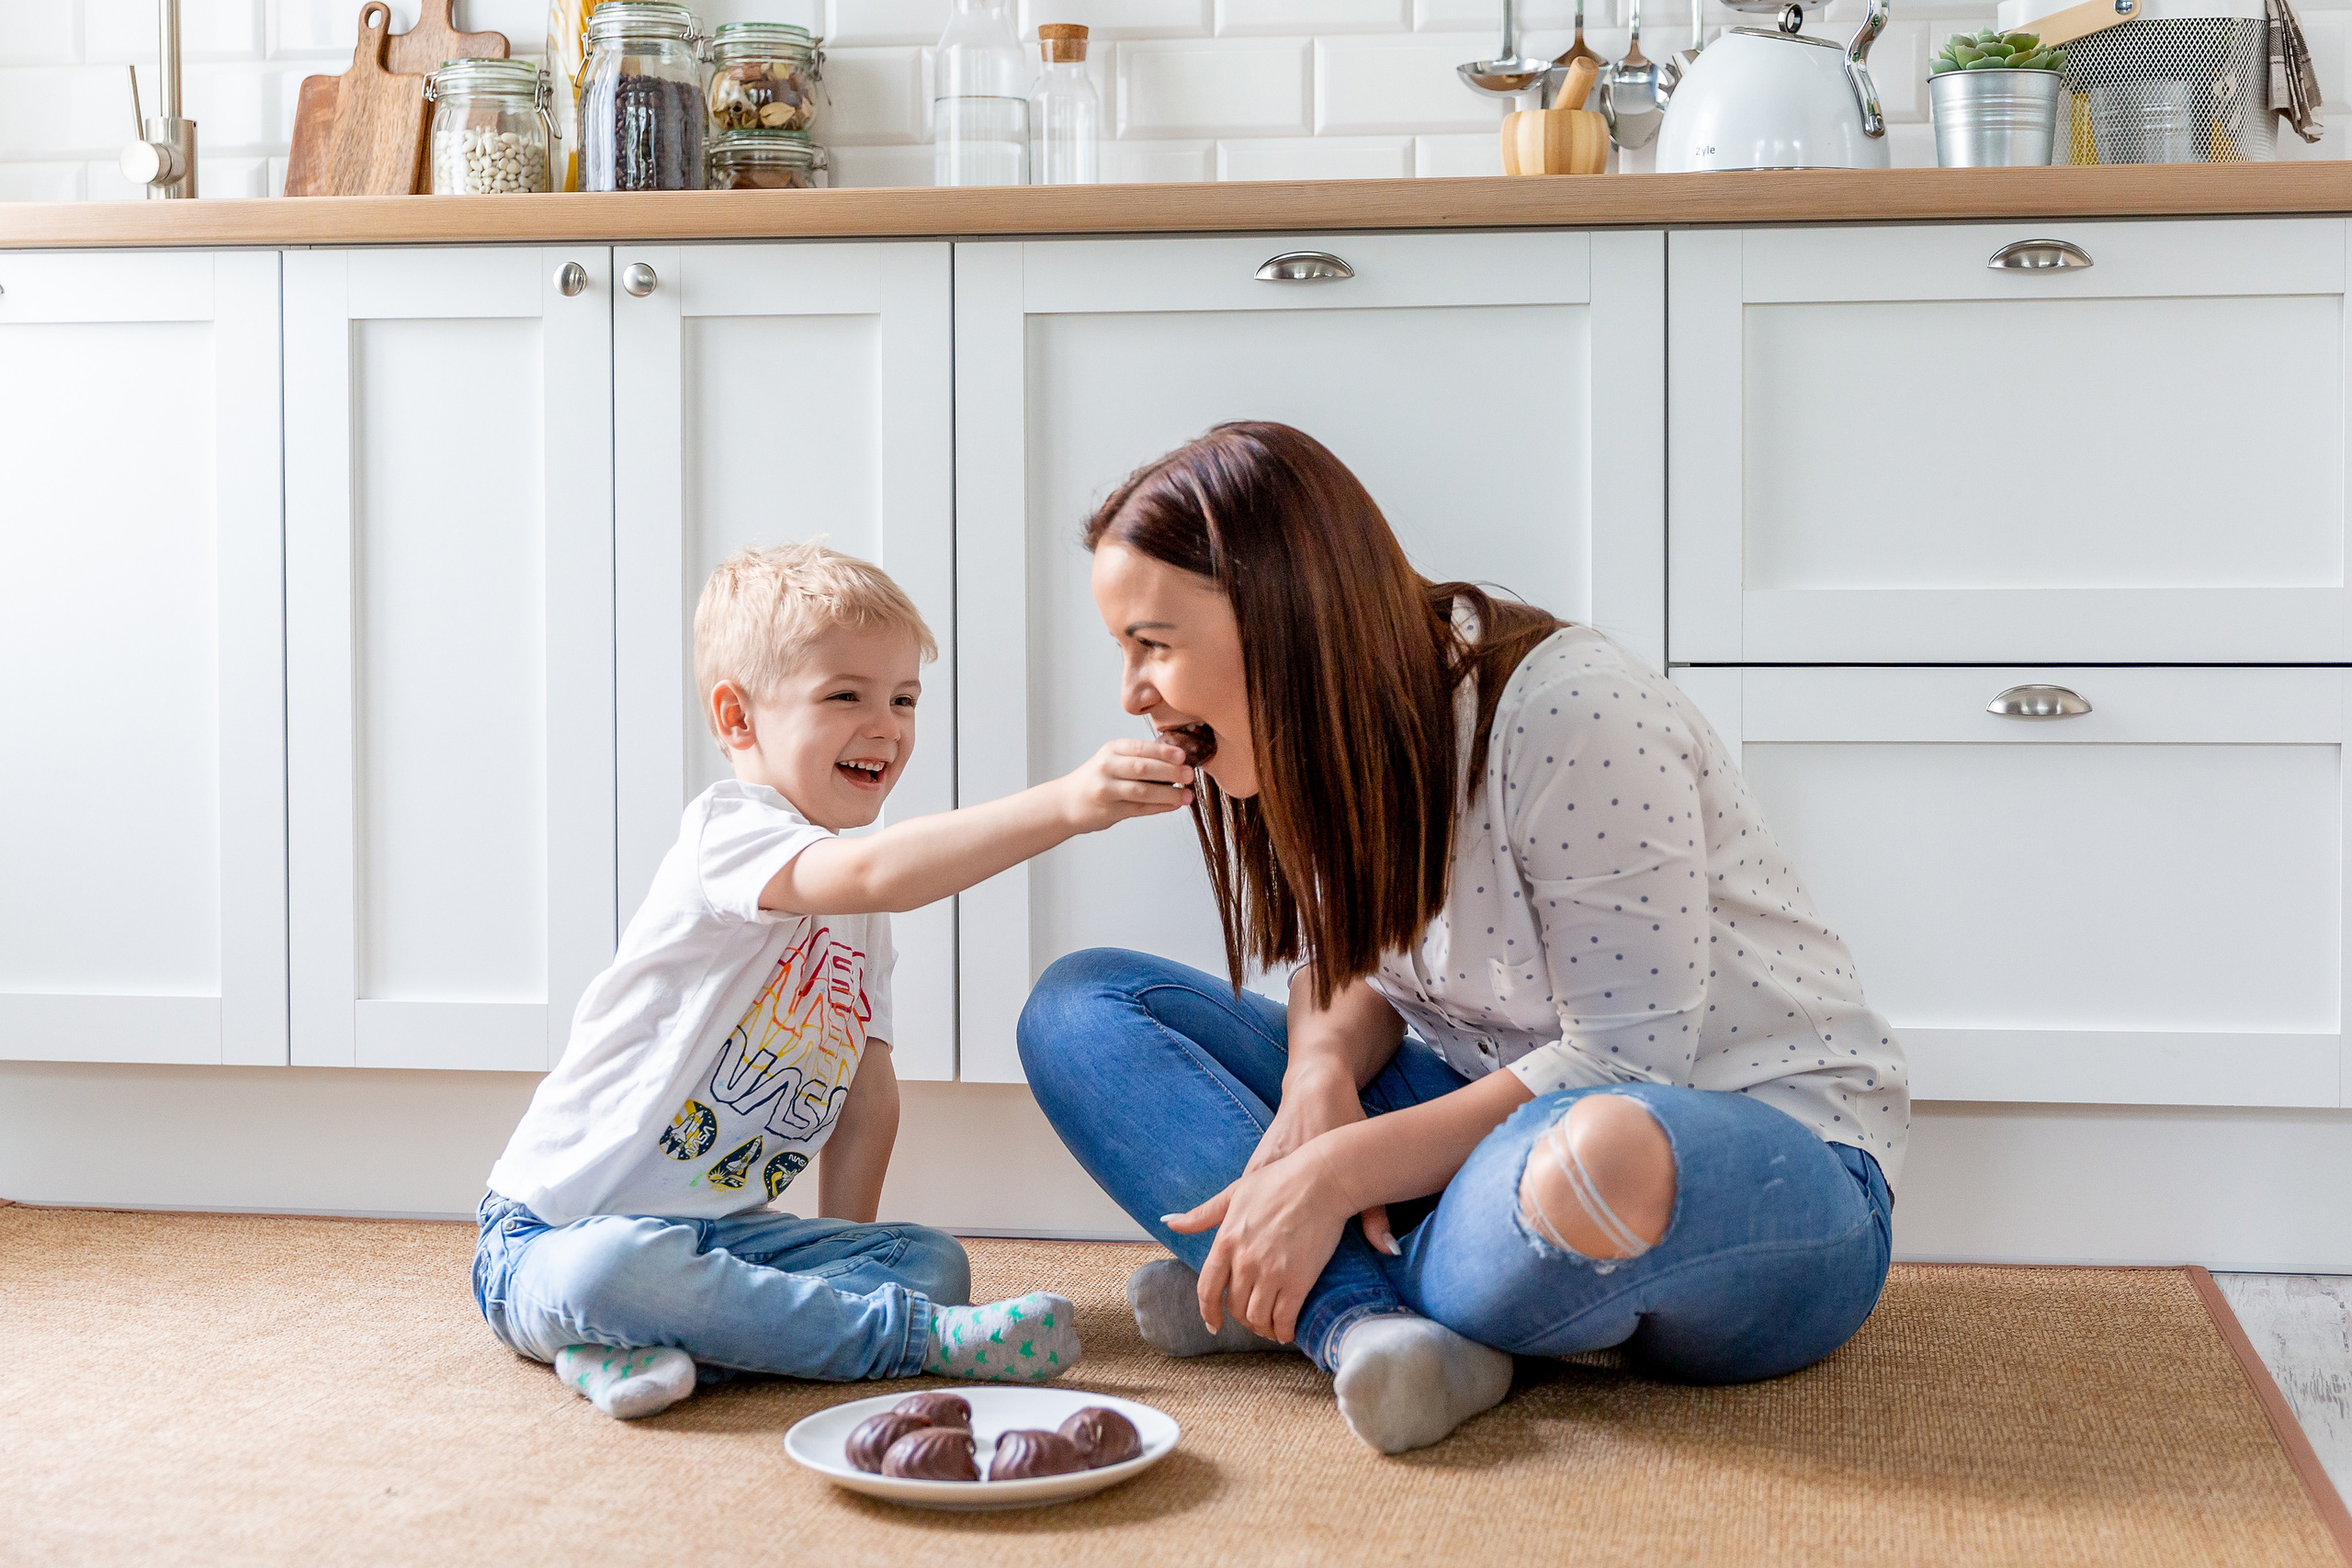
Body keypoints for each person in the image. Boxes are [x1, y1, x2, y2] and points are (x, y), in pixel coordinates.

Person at [1017, 423, 1909, 1455]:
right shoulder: (1326, 733)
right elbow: (1354, 966)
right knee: (1081, 1010)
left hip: (1748, 1158)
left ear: (1280, 616)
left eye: (1153, 644)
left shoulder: (1572, 711)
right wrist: (1316, 1078)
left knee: (1597, 1156)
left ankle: (1296, 1282)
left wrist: (1337, 1173)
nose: (1132, 691)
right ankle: (1362, 1325)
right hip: (1484, 1131)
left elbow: (1623, 1063)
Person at [476, 540, 1199, 1420]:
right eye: (844, 696)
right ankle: (904, 1342)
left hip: (727, 1235)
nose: (887, 726)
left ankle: (662, 1344)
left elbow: (867, 1090)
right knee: (607, 1271)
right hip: (550, 1236)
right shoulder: (730, 832)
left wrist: (846, 1250)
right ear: (738, 719)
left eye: (903, 699)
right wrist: (1066, 805)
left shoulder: (859, 915)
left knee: (929, 1262)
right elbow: (874, 871)